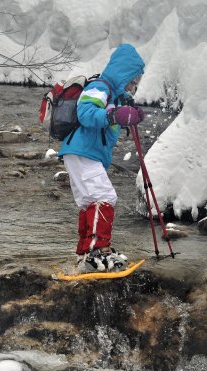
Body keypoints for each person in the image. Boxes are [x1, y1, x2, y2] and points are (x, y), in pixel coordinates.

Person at [58, 43, 146, 272]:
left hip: (81, 153)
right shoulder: (99, 87)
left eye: (136, 82)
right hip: (82, 150)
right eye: (133, 80)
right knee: (104, 196)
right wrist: (115, 115)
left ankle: (85, 253)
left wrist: (125, 113)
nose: (134, 85)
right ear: (123, 73)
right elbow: (86, 113)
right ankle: (98, 251)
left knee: (90, 202)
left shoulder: (113, 95)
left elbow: (108, 117)